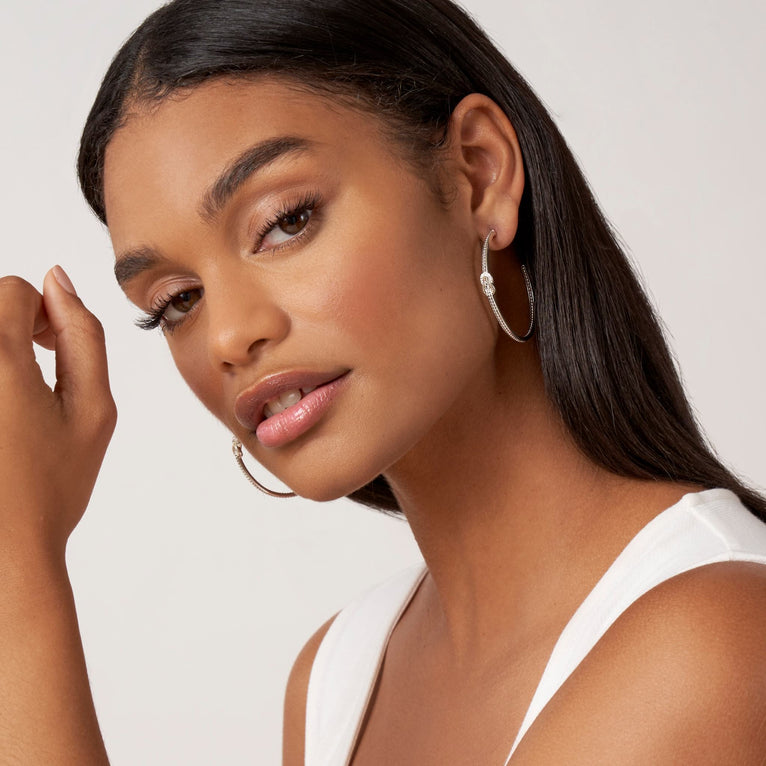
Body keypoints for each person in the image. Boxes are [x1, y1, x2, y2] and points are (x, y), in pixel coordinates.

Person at [2, 0, 765, 763]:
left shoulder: (713, 641)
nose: (230, 337)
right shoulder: (338, 677)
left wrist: (18, 554)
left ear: (479, 173)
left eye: (287, 220)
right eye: (177, 302)